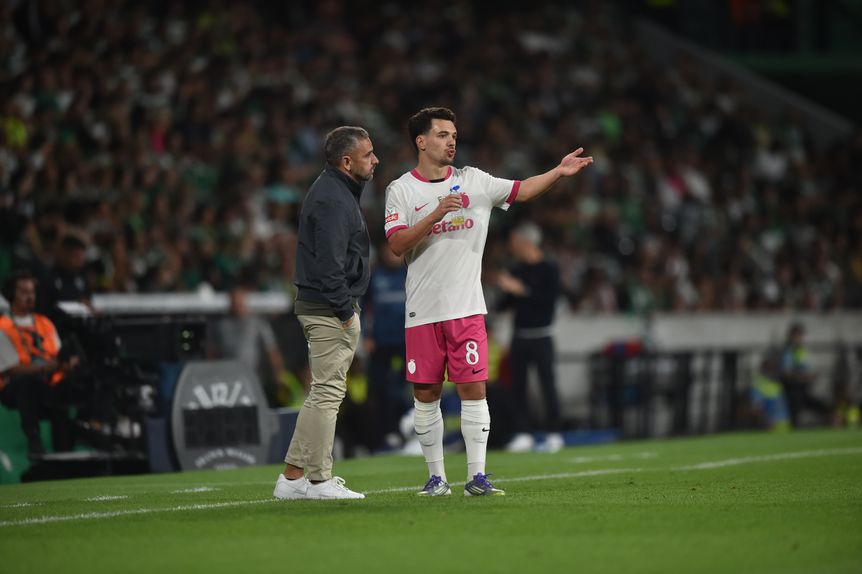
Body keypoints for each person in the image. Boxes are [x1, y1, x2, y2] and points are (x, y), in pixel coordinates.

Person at [384, 107, 593, 496]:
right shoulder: (401, 189)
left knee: (474, 390)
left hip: (467, 309)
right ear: (421, 141)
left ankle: (476, 477)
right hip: (422, 311)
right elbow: (396, 244)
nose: (451, 141)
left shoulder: (474, 181)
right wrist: (435, 214)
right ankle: (436, 478)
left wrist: (558, 172)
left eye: (454, 135)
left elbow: (523, 190)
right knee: (426, 395)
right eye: (443, 135)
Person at [273, 126, 378, 500]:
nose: (375, 160)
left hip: (324, 305)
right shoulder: (333, 199)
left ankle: (292, 477)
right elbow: (329, 266)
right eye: (368, 155)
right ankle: (319, 480)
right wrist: (346, 313)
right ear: (347, 162)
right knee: (328, 394)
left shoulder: (335, 191)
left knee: (323, 392)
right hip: (328, 308)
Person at [497, 223, 564, 453]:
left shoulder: (549, 269)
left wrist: (521, 290)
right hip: (519, 336)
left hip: (542, 335)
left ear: (527, 242)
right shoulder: (516, 269)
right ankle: (523, 432)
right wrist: (505, 289)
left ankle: (554, 433)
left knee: (547, 385)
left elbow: (548, 301)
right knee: (518, 386)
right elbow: (506, 304)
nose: (512, 247)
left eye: (515, 242)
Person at [0, 270, 80, 456]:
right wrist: (46, 367)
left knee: (77, 382)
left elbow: (57, 354)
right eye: (23, 292)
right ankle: (34, 440)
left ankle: (72, 445)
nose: (29, 297)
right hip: (13, 386)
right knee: (28, 382)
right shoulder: (3, 326)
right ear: (11, 295)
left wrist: (67, 363)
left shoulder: (45, 323)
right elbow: (11, 370)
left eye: (32, 292)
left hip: (48, 380)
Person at [209, 275, 291, 405]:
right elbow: (212, 352)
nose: (237, 303)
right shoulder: (220, 325)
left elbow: (271, 350)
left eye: (239, 299)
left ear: (245, 299)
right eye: (234, 299)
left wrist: (279, 376)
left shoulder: (257, 323)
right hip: (226, 381)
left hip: (252, 378)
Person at [362, 242, 409, 449]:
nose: (393, 255)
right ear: (382, 252)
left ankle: (406, 429)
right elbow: (364, 308)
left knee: (404, 388)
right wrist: (366, 336)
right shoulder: (374, 277)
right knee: (381, 388)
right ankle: (386, 434)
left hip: (407, 341)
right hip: (380, 343)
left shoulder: (411, 274)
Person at [778, 322, 831, 427]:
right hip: (793, 390)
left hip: (803, 389)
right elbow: (786, 374)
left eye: (801, 335)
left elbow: (803, 369)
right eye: (797, 335)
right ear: (791, 336)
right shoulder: (788, 351)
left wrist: (810, 377)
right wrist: (805, 377)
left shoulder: (801, 351)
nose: (800, 338)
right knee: (795, 416)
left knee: (823, 408)